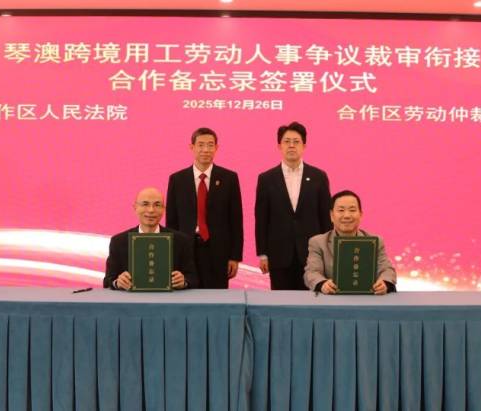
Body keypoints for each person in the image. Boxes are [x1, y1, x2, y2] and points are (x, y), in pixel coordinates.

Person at [255, 121, 331, 290]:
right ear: (279, 146)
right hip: (279, 255)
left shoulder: (318, 176)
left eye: (296, 142)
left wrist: (327, 252)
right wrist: (263, 254)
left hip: (312, 255)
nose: (291, 145)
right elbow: (261, 219)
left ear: (304, 146)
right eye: (287, 141)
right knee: (281, 301)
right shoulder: (266, 178)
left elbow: (325, 218)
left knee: (312, 299)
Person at [166, 128, 243, 289]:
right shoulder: (177, 179)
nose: (206, 150)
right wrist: (172, 256)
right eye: (201, 145)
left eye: (210, 145)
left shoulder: (229, 178)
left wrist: (235, 257)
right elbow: (172, 222)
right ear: (192, 147)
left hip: (219, 252)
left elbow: (236, 221)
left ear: (216, 148)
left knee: (217, 298)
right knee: (187, 295)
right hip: (186, 250)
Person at [103, 187, 199, 290]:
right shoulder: (118, 242)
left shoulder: (181, 241)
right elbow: (108, 280)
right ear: (135, 208)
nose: (151, 210)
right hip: (131, 298)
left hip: (169, 298)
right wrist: (117, 282)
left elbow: (193, 279)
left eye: (157, 205)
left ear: (163, 209)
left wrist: (184, 282)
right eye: (145, 204)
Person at [303, 190, 397, 294]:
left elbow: (387, 270)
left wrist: (384, 283)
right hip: (331, 298)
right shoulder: (318, 242)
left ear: (360, 214)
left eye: (352, 210)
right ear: (331, 215)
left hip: (366, 298)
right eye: (341, 210)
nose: (347, 215)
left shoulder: (375, 241)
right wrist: (322, 284)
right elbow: (312, 272)